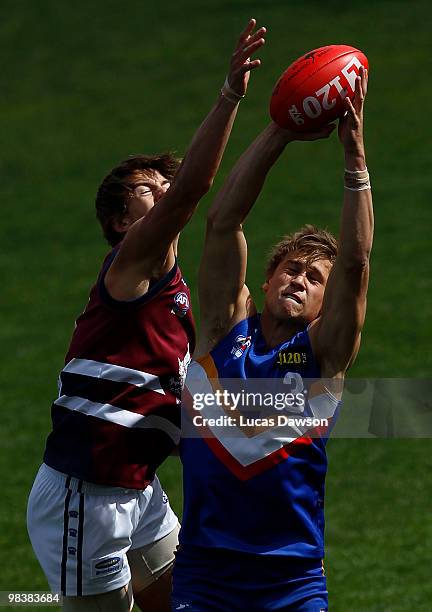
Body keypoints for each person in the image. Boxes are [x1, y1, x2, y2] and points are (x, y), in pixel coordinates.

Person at [26, 20, 266, 612]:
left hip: (139, 488)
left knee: (188, 602)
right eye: (146, 187)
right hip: (84, 496)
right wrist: (233, 96)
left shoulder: (180, 301)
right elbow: (192, 193)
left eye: (162, 178)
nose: (161, 187)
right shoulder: (127, 269)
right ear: (120, 222)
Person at [173, 67, 372, 611]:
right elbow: (222, 221)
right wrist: (279, 130)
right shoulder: (220, 330)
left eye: (313, 278)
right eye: (290, 268)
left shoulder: (324, 354)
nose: (298, 279)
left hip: (292, 579)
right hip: (204, 573)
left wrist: (355, 162)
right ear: (264, 281)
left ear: (324, 304)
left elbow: (356, 263)